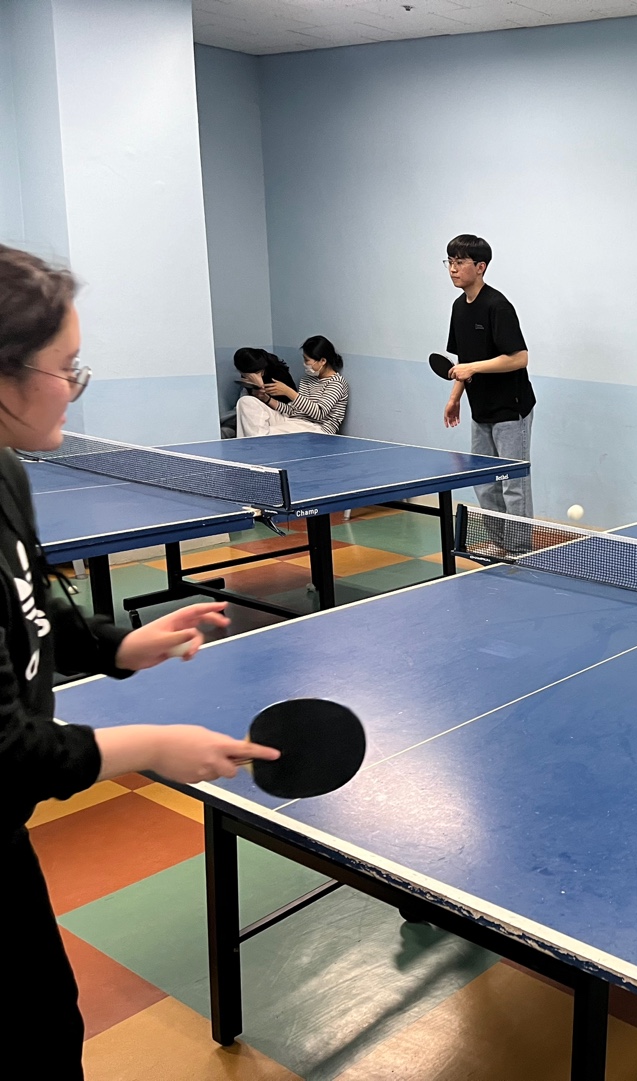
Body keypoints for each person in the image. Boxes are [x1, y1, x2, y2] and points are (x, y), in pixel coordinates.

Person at [0, 244, 279, 1078]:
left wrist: (118, 644)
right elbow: (4, 749)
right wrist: (153, 746)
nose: (76, 386)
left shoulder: (6, 471)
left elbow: (33, 600)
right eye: (66, 368)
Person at [439, 234, 534, 556]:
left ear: (480, 267)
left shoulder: (497, 305)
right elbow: (463, 361)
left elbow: (519, 358)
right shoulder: (458, 307)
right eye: (450, 262)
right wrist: (455, 397)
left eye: (460, 262)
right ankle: (498, 542)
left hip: (511, 408)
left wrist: (473, 368)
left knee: (513, 483)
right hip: (480, 408)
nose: (453, 269)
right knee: (484, 480)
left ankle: (518, 549)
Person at [236, 335, 349, 437]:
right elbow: (293, 411)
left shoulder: (336, 383)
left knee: (266, 431)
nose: (304, 364)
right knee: (245, 401)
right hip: (293, 421)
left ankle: (259, 444)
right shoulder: (307, 379)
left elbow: (318, 414)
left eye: (307, 360)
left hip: (317, 429)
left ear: (322, 361)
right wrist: (266, 399)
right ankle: (259, 442)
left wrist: (288, 392)